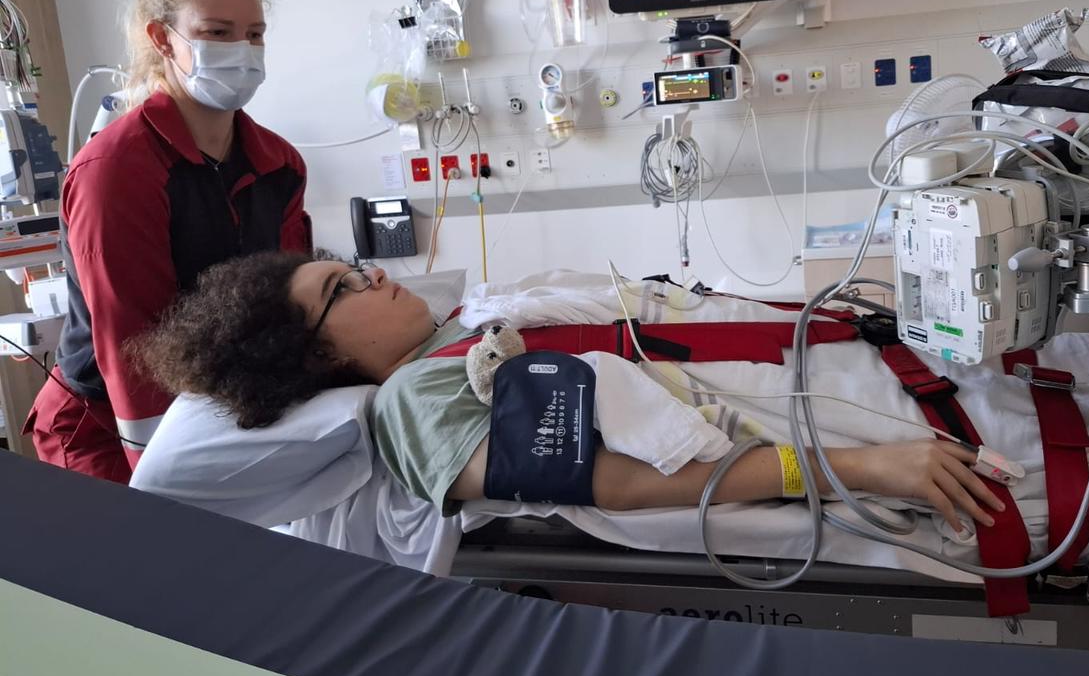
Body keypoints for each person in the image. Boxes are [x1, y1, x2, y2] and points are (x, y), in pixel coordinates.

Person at [133, 253, 1005, 529]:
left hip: (873, 361)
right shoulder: (413, 402)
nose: (375, 276)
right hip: (879, 430)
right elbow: (618, 483)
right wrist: (863, 469)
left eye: (353, 266)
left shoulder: (471, 320)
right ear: (314, 356)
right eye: (343, 289)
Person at [25, 0, 311, 482]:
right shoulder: (117, 170)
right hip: (109, 424)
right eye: (217, 32)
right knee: (155, 535)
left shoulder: (279, 163)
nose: (243, 50)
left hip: (219, 404)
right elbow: (132, 346)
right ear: (162, 39)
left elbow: (293, 296)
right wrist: (165, 474)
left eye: (254, 34)